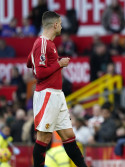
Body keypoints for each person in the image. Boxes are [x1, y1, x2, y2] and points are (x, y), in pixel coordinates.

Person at [26, 11, 87, 167]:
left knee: (68, 135)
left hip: (57, 95)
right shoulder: (42, 43)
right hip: (46, 94)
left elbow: (29, 61)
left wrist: (55, 61)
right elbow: (39, 73)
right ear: (55, 25)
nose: (61, 26)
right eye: (60, 23)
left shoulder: (46, 44)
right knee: (44, 138)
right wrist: (59, 64)